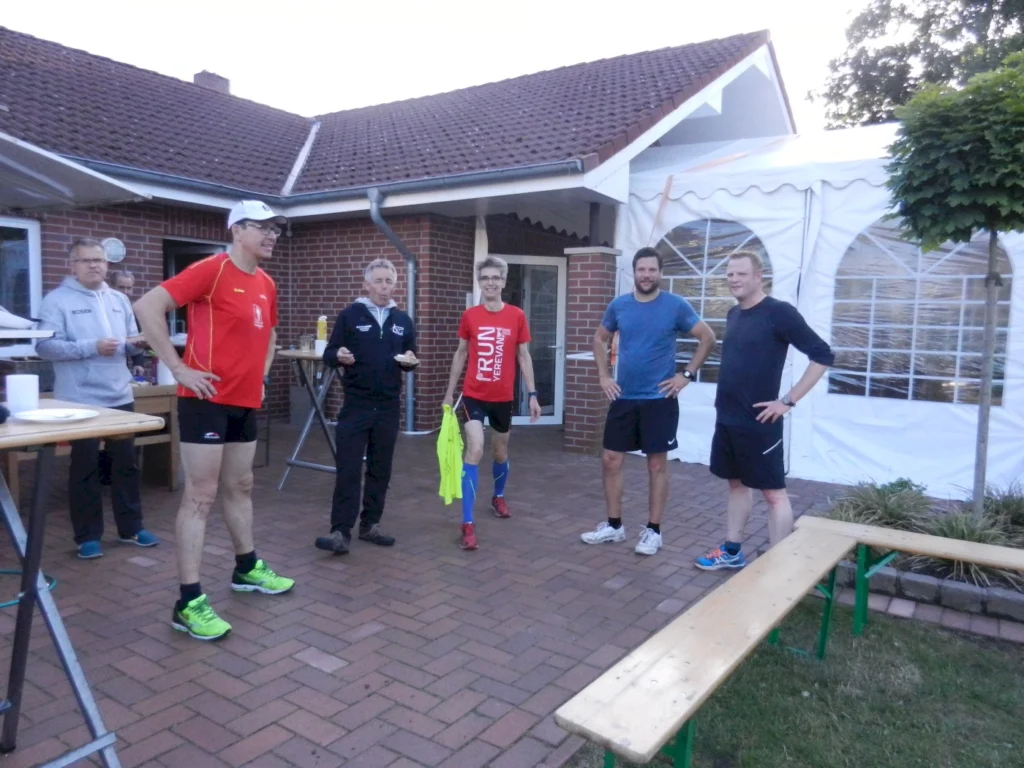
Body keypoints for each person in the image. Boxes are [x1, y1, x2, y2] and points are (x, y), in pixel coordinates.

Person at [134, 200, 294, 641]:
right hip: (204, 399)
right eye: (262, 228)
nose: (271, 235)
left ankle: (246, 568)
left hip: (244, 402)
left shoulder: (266, 282)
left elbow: (271, 333)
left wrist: (260, 379)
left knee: (241, 486)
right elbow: (147, 307)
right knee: (200, 496)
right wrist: (178, 368)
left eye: (275, 229)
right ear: (237, 230)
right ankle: (188, 602)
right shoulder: (212, 269)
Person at [695, 250, 835, 571]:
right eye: (730, 274)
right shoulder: (733, 314)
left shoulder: (779, 313)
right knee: (736, 484)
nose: (734, 279)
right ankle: (732, 551)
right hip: (728, 419)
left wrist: (787, 401)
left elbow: (822, 355)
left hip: (761, 422)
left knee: (774, 495)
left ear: (759, 277)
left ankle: (778, 568)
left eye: (741, 274)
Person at [580, 246, 717, 556]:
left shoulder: (675, 306)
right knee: (610, 459)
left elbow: (707, 337)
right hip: (624, 396)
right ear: (634, 272)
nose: (646, 275)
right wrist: (604, 376)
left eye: (652, 270)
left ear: (660, 272)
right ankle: (614, 526)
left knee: (656, 464)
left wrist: (686, 374)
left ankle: (653, 531)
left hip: (660, 399)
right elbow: (600, 337)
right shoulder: (620, 306)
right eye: (641, 270)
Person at [36, 238, 158, 559]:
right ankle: (87, 537)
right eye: (86, 260)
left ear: (107, 264)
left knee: (126, 465)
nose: (95, 266)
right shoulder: (56, 301)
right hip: (79, 400)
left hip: (119, 393)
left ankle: (131, 528)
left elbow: (128, 344)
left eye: (100, 260)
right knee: (85, 467)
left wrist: (139, 345)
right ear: (72, 266)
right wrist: (91, 346)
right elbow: (45, 347)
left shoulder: (119, 299)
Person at [314, 258, 418, 555]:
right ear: (367, 284)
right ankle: (340, 531)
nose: (385, 287)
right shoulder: (350, 315)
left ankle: (370, 525)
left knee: (380, 469)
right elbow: (330, 353)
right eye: (379, 281)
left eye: (389, 281)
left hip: (388, 406)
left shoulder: (403, 321)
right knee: (348, 468)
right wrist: (339, 355)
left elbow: (410, 354)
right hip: (356, 404)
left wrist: (410, 361)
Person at [442, 256, 541, 551]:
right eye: (485, 278)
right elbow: (461, 354)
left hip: (502, 398)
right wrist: (450, 392)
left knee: (500, 451)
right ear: (479, 282)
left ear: (503, 281)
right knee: (475, 449)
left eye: (495, 278)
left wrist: (533, 394)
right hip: (473, 396)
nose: (490, 283)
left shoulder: (516, 316)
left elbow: (524, 356)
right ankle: (468, 523)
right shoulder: (470, 316)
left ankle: (498, 496)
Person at [109, 270, 147, 378]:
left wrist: (138, 363)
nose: (125, 292)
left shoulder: (132, 309)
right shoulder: (101, 306)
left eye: (129, 288)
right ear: (111, 287)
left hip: (121, 364)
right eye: (121, 287)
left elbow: (136, 337)